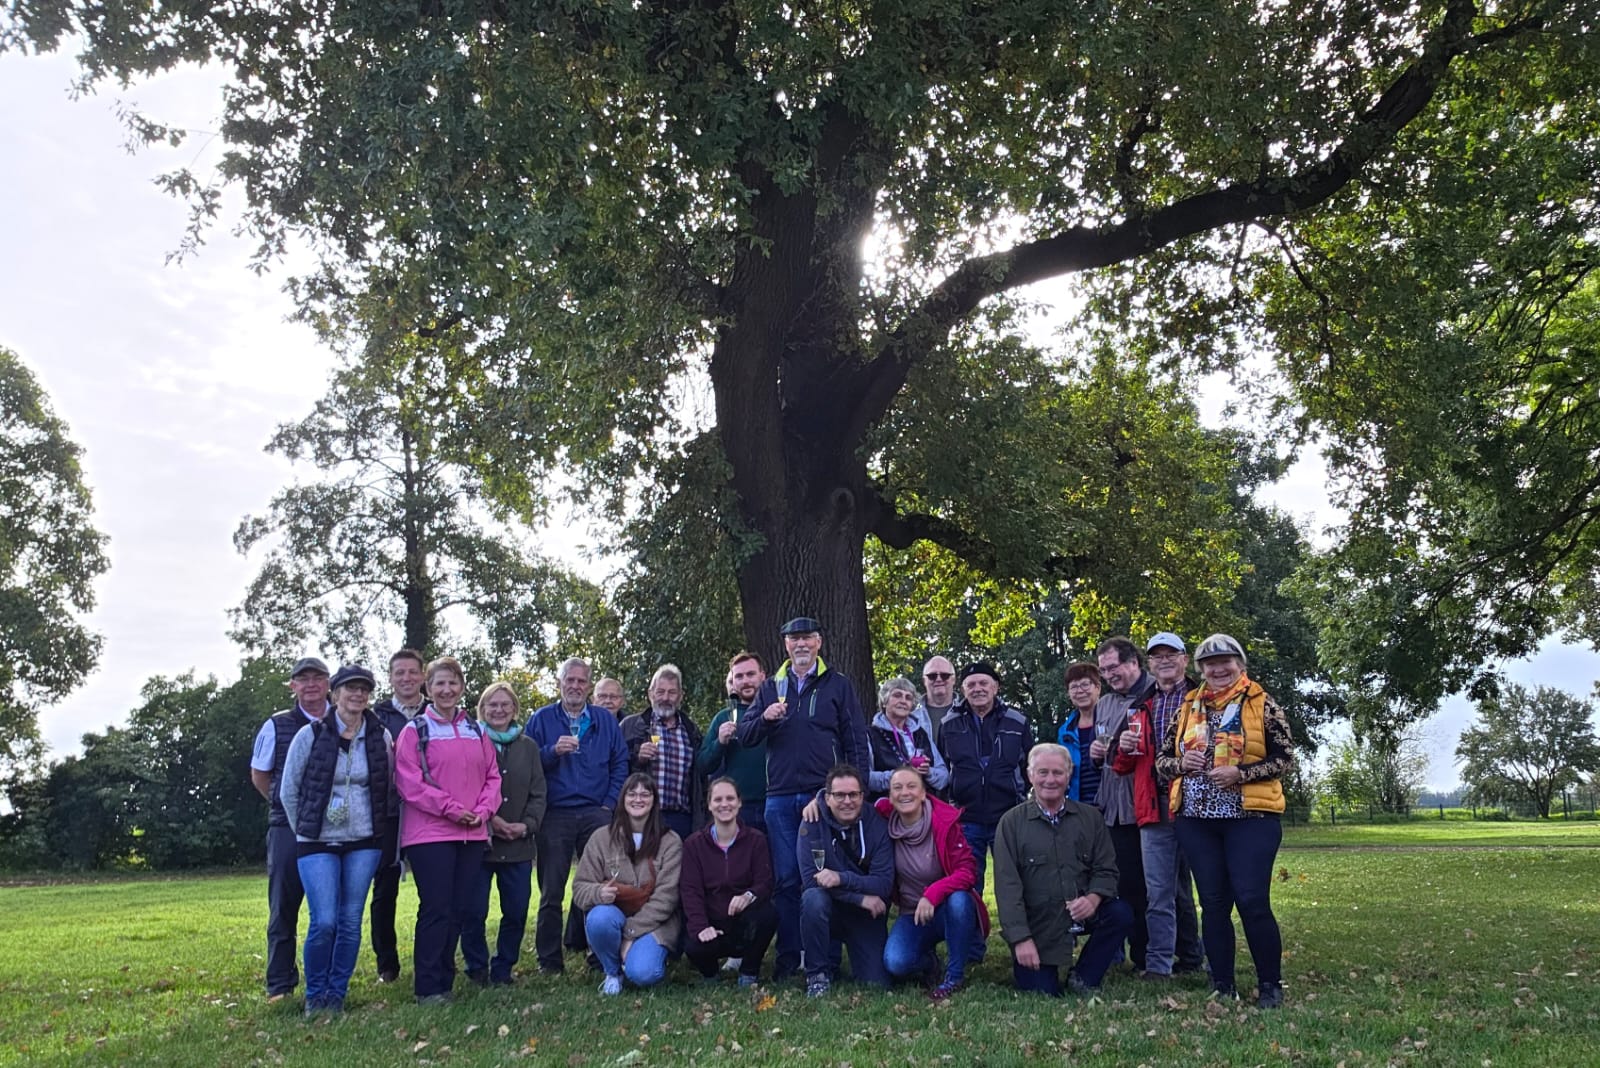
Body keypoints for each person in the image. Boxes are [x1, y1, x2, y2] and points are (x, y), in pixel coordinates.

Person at [1155, 634, 1294, 1008]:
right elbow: (1162, 760)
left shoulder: (1262, 703)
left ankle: (1269, 985)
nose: (1218, 669)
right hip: (1196, 819)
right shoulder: (1187, 706)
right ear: (1200, 669)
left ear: (1240, 665)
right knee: (1213, 904)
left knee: (1251, 900)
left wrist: (1241, 773)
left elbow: (1284, 759)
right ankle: (1223, 983)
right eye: (1210, 663)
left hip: (1251, 818)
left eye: (1226, 661)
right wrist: (1182, 764)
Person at [737, 616, 872, 981]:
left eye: (807, 638)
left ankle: (823, 959)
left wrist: (856, 789)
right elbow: (746, 736)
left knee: (822, 878)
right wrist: (764, 718)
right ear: (785, 645)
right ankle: (788, 959)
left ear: (818, 643)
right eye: (794, 639)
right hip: (779, 798)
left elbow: (855, 740)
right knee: (786, 880)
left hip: (822, 796)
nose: (800, 644)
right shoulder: (770, 687)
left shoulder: (837, 685)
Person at [278, 664, 393, 1016]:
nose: (357, 695)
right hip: (317, 842)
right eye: (350, 689)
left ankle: (336, 995)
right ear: (335, 694)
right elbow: (288, 791)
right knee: (324, 920)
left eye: (364, 689)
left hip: (364, 841)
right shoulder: (310, 735)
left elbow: (388, 784)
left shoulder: (380, 735)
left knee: (349, 921)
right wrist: (307, 830)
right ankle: (315, 996)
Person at [393, 656, 502, 1004]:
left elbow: (493, 777)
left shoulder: (476, 729)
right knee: (436, 908)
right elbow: (409, 783)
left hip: (471, 833)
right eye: (439, 683)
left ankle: (445, 981)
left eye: (452, 683)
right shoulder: (415, 731)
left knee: (459, 908)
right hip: (430, 834)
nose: (446, 689)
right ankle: (427, 986)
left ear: (462, 688)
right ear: (428, 688)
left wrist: (483, 811)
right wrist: (454, 811)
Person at [994, 743, 1132, 996]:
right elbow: (1007, 889)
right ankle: (1039, 960)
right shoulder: (1011, 823)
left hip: (1081, 914)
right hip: (1038, 924)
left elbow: (1107, 870)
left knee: (1120, 913)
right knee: (1042, 992)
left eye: (1058, 773)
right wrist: (1020, 940)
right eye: (1042, 772)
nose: (1050, 780)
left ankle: (1085, 975)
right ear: (1030, 775)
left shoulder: (1090, 818)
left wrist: (1093, 899)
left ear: (1069, 775)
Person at [524, 656, 630, 975]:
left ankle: (599, 955)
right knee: (552, 890)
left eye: (581, 681)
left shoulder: (604, 720)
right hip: (555, 814)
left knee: (601, 886)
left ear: (588, 686)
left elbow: (620, 763)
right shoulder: (542, 719)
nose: (575, 686)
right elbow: (529, 767)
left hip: (595, 813)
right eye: (570, 680)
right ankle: (549, 961)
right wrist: (551, 752)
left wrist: (609, 804)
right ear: (560, 683)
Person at [1109, 633, 1205, 979]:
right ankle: (1160, 964)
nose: (1164, 661)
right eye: (1157, 657)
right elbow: (1118, 765)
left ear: (1185, 659)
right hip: (1154, 809)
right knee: (1159, 892)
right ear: (1149, 665)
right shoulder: (1139, 706)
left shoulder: (1205, 699)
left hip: (1199, 807)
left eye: (1171, 655)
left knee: (1207, 890)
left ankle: (1202, 959)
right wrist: (1122, 745)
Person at [248, 655, 332, 1001]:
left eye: (318, 678)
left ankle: (327, 979)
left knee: (329, 911)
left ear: (329, 684)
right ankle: (280, 984)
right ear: (293, 686)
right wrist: (288, 807)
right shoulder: (277, 725)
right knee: (283, 907)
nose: (311, 685)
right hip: (287, 828)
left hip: (333, 829)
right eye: (303, 679)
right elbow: (260, 775)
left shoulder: (344, 720)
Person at [459, 681, 548, 987]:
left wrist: (526, 825)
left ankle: (503, 967)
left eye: (504, 705)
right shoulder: (470, 742)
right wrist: (492, 821)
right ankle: (476, 967)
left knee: (516, 910)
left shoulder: (528, 747)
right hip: (479, 842)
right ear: (481, 709)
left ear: (514, 709)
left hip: (519, 845)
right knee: (473, 911)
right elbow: (464, 787)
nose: (498, 710)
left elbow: (539, 793)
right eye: (491, 705)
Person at [877, 766, 988, 1001]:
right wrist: (818, 800)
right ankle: (929, 962)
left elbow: (968, 871)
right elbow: (847, 804)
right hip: (912, 913)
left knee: (959, 899)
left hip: (946, 908)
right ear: (889, 795)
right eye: (897, 787)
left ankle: (955, 975)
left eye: (911, 786)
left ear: (923, 793)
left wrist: (933, 893)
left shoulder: (944, 822)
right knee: (895, 963)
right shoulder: (883, 820)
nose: (904, 793)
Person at [571, 773, 684, 995]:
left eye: (645, 794)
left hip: (656, 924)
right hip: (614, 917)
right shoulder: (601, 838)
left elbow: (667, 898)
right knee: (599, 918)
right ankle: (612, 972)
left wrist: (629, 933)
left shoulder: (670, 842)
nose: (638, 799)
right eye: (632, 794)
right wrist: (598, 893)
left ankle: (641, 959)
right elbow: (580, 887)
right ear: (623, 799)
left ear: (654, 801)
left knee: (644, 974)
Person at [1089, 635, 1156, 971]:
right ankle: (1140, 954)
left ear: (1133, 662)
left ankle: (1184, 953)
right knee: (1127, 883)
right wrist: (1095, 754)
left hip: (1149, 804)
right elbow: (1099, 756)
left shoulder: (1157, 693)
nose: (1108, 675)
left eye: (1112, 667)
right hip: (1113, 808)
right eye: (1103, 670)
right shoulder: (1104, 703)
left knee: (1165, 887)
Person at [797, 765, 893, 997]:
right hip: (833, 907)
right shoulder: (811, 823)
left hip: (864, 915)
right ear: (827, 797)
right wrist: (859, 898)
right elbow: (811, 881)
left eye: (854, 794)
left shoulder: (876, 824)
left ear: (863, 795)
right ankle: (817, 975)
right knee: (813, 899)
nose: (847, 801)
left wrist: (840, 878)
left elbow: (883, 883)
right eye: (839, 795)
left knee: (877, 983)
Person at [938, 661, 1032, 892]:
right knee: (969, 882)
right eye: (971, 684)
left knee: (1013, 881)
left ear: (996, 687)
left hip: (1008, 814)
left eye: (983, 683)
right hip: (966, 817)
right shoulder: (948, 724)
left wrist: (1016, 792)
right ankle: (974, 929)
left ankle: (1016, 928)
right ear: (963, 690)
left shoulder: (1017, 722)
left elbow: (1030, 765)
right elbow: (942, 767)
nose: (977, 689)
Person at [680, 777, 778, 987]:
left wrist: (748, 896)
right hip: (711, 923)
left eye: (730, 798)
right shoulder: (693, 845)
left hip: (742, 924)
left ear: (739, 803)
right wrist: (701, 927)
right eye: (718, 799)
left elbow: (765, 882)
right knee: (693, 943)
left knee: (768, 914)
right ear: (709, 805)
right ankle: (710, 974)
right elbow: (690, 891)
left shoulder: (756, 840)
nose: (724, 804)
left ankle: (749, 972)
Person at [369, 647, 427, 984]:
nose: (406, 678)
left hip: (428, 816)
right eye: (399, 673)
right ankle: (387, 965)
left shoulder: (438, 713)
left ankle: (429, 958)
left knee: (432, 891)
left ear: (422, 676)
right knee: (384, 889)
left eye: (411, 672)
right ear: (390, 678)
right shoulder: (375, 718)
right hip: (389, 815)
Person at [621, 664, 704, 840]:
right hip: (642, 816)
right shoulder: (630, 726)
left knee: (677, 868)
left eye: (672, 692)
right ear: (650, 694)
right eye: (660, 692)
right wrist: (637, 758)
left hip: (682, 819)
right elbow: (615, 768)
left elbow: (700, 780)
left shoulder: (692, 731)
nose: (665, 698)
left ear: (680, 696)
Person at [698, 652, 769, 832]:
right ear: (733, 681)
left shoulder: (775, 711)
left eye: (750, 674)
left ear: (763, 676)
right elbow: (702, 765)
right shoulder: (723, 717)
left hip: (774, 804)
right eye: (739, 676)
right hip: (736, 808)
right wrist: (719, 742)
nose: (745, 681)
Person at [867, 676, 949, 798]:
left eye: (908, 697)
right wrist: (900, 775)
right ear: (884, 701)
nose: (903, 701)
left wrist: (928, 772)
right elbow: (865, 778)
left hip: (923, 808)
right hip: (886, 809)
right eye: (897, 695)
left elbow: (944, 777)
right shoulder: (870, 734)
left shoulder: (920, 733)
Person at [1055, 661, 1102, 802]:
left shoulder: (1112, 721)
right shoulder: (1065, 732)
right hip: (1079, 806)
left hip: (1112, 804)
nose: (1079, 691)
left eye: (1085, 684)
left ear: (1098, 688)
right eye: (1074, 687)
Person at [915, 655, 957, 739]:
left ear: (954, 680)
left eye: (945, 675)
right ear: (924, 681)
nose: (938, 679)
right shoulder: (910, 719)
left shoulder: (968, 715)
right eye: (932, 676)